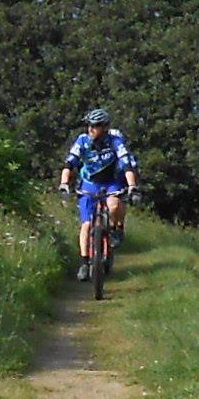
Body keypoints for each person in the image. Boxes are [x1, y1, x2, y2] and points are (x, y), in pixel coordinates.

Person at [60, 107, 138, 278]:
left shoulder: (115, 141)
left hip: (111, 182)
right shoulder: (82, 140)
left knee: (114, 206)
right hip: (89, 184)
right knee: (86, 225)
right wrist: (64, 183)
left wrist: (132, 186)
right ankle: (84, 263)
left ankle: (116, 228)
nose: (91, 129)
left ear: (105, 127)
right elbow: (69, 163)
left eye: (95, 126)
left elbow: (126, 164)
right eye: (89, 125)